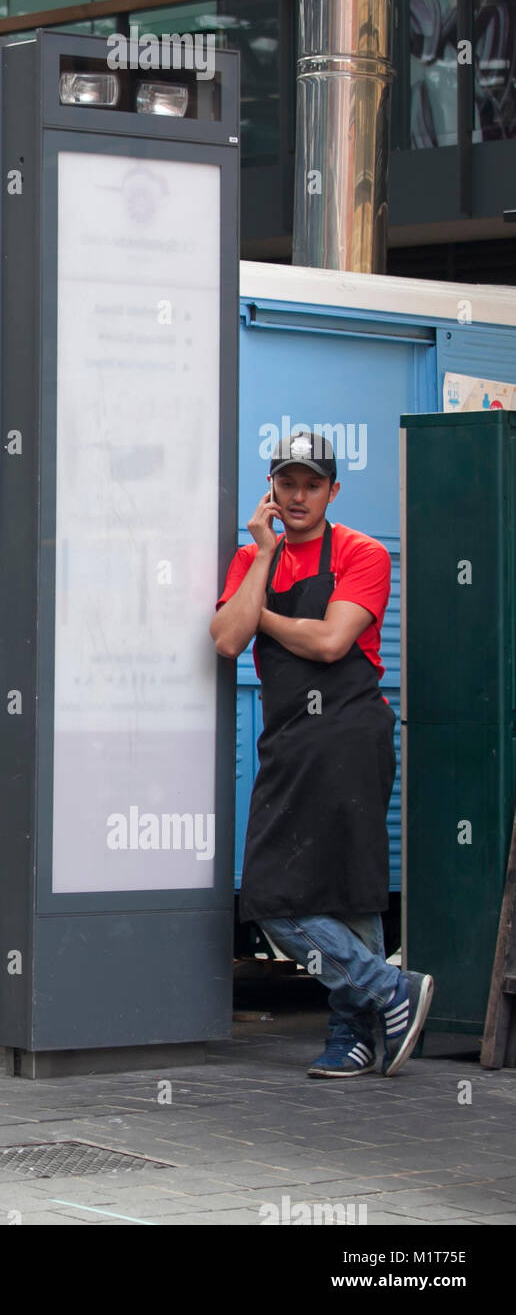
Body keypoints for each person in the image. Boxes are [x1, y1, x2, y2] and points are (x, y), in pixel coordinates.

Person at [210, 431, 434, 1079]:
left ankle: (358, 1028)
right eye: (288, 483)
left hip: (348, 732)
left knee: (347, 886)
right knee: (273, 893)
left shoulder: (362, 552)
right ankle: (385, 997)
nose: (299, 495)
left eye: (312, 484)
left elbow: (333, 641)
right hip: (288, 737)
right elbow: (227, 640)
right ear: (271, 490)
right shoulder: (254, 558)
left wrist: (262, 618)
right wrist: (262, 559)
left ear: (333, 490)